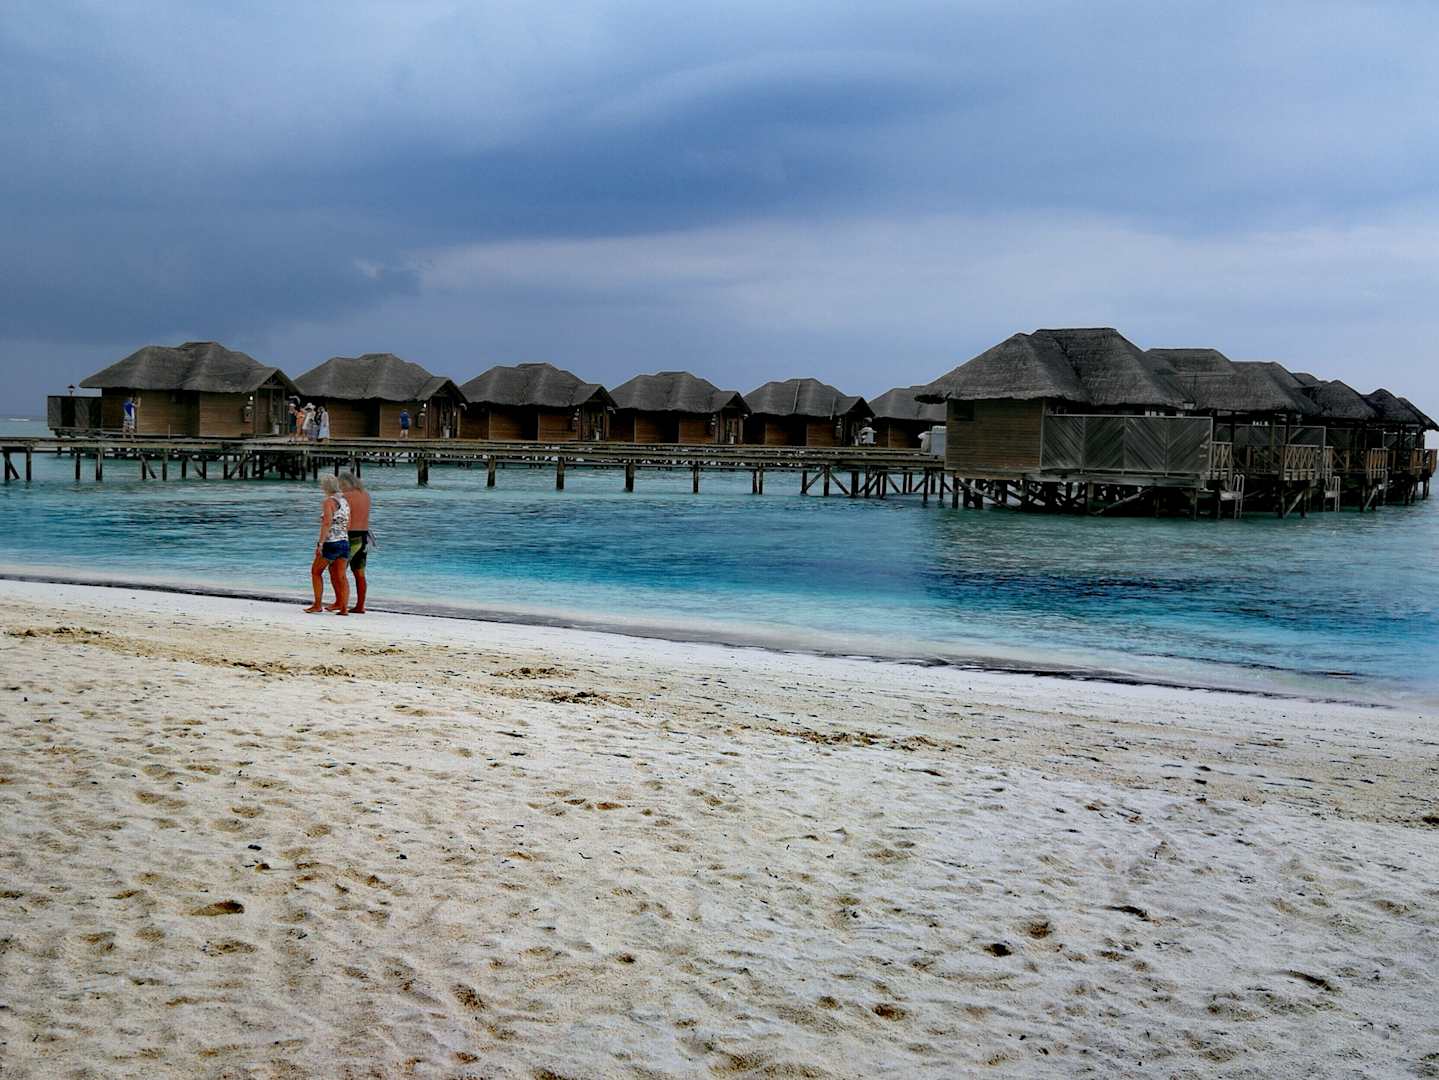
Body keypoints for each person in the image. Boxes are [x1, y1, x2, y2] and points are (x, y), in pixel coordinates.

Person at [304, 475, 350, 616]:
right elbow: (347, 522)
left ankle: (317, 604)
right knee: (341, 576)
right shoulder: (345, 501)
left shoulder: (328, 501)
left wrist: (321, 543)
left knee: (316, 572)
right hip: (344, 541)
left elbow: (327, 523)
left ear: (325, 487)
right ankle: (344, 608)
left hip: (331, 542)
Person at [330, 471, 372, 614]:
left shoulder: (344, 497)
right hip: (364, 536)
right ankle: (360, 606)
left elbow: (338, 518)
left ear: (343, 483)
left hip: (349, 537)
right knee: (359, 573)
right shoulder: (365, 495)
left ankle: (340, 603)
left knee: (336, 570)